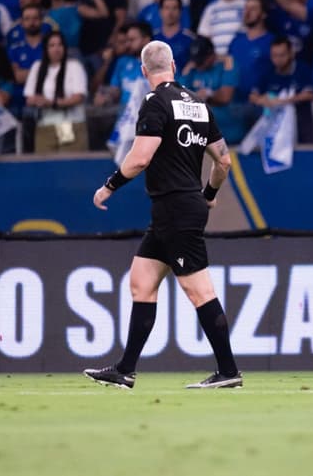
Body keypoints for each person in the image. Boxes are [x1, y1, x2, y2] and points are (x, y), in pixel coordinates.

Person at [84, 40, 241, 389]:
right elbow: (224, 160)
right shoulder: (198, 105)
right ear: (174, 65)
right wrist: (209, 195)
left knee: (199, 291)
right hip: (179, 207)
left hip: (175, 208)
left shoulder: (155, 103)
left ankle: (229, 372)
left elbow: (140, 158)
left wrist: (109, 186)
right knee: (141, 281)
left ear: (143, 71)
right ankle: (125, 370)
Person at [23, 31, 88, 153]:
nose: (56, 49)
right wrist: (38, 101)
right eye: (52, 45)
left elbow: (78, 97)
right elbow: (29, 98)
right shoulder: (37, 67)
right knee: (45, 168)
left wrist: (52, 103)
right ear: (45, 49)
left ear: (65, 47)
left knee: (68, 165)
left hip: (67, 125)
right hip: (44, 125)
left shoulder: (74, 66)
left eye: (60, 45)